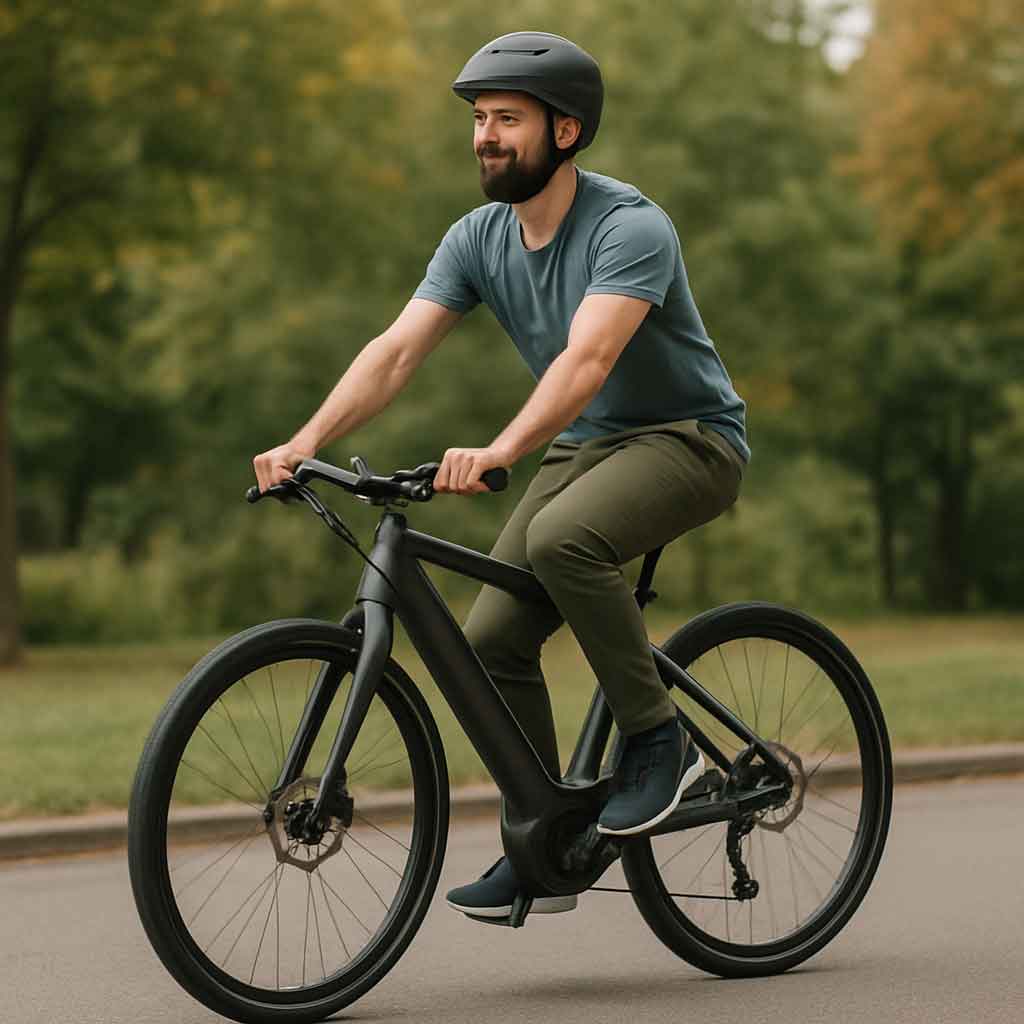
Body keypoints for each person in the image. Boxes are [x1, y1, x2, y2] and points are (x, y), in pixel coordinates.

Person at [252, 31, 749, 921]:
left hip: (689, 438)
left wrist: (502, 449)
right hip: (585, 448)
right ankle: (549, 836)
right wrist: (304, 438)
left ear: (565, 131)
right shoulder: (478, 237)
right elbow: (397, 352)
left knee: (564, 540)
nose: (485, 136)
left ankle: (657, 741)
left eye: (507, 119)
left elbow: (587, 361)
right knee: (490, 643)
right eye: (479, 119)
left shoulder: (630, 225)